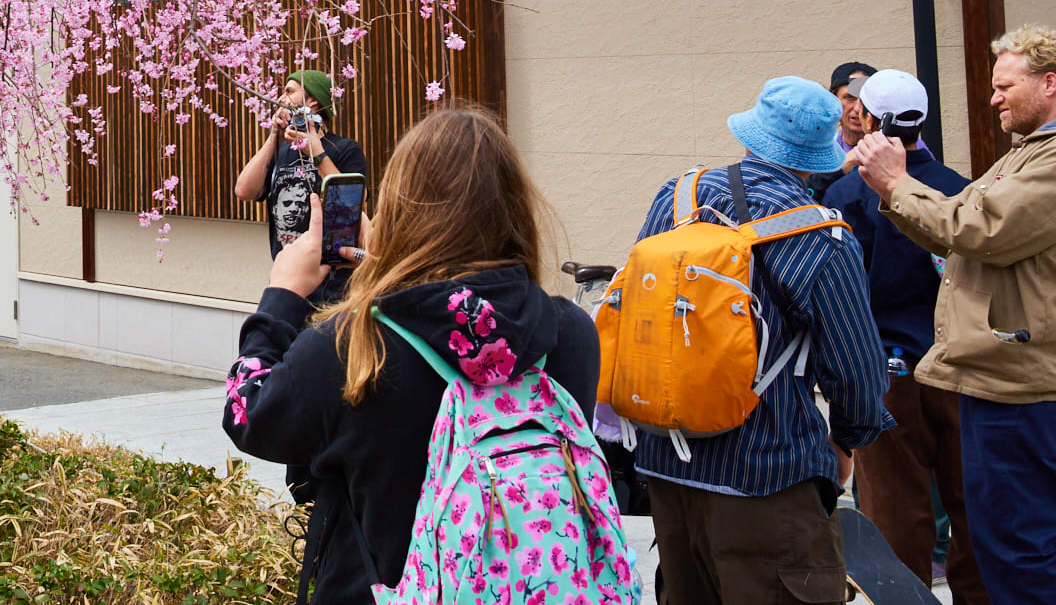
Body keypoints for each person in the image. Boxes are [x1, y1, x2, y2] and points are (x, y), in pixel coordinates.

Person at [221, 107, 603, 605]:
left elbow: (248, 413)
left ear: (402, 210)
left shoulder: (355, 346)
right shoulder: (569, 333)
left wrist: (282, 295)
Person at [633, 76, 890, 605]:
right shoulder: (821, 235)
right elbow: (856, 370)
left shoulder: (677, 197)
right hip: (770, 474)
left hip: (667, 467)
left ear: (753, 133)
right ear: (817, 154)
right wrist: (848, 440)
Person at [857, 24, 1056, 605]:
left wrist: (895, 184)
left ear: (1050, 83)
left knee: (1018, 548)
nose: (993, 98)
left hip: (1018, 389)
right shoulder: (1025, 155)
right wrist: (899, 192)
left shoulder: (1047, 162)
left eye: (1004, 86)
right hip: (996, 380)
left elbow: (978, 230)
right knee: (997, 539)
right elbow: (958, 226)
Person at [825, 70, 988, 603]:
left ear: (869, 118)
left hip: (888, 373)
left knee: (894, 514)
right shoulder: (960, 187)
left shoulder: (849, 193)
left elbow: (845, 293)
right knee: (974, 505)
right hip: (963, 369)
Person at [232, 68, 367, 307]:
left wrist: (316, 152)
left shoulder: (344, 149)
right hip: (288, 279)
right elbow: (244, 190)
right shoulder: (282, 150)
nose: (281, 99)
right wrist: (273, 138)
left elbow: (353, 202)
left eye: (289, 92)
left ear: (312, 101)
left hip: (333, 285)